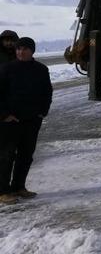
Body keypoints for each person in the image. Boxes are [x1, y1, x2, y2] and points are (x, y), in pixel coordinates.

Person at [0, 37, 52, 205]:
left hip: (32, 120)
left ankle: (18, 186)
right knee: (6, 156)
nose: (20, 52)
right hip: (10, 121)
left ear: (32, 51)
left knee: (26, 156)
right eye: (18, 49)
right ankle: (3, 191)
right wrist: (4, 114)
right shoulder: (6, 69)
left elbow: (47, 92)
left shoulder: (41, 69)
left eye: (24, 49)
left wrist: (42, 112)